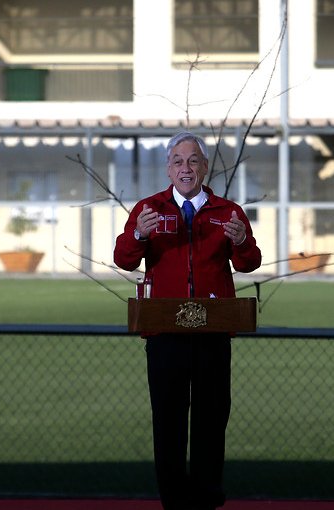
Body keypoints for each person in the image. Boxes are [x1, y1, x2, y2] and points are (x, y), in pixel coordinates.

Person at [114, 131, 262, 510]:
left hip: (213, 334)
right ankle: (174, 501)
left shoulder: (227, 212)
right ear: (168, 168)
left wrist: (244, 240)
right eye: (178, 161)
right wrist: (138, 233)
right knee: (168, 420)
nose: (185, 168)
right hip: (165, 334)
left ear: (205, 167)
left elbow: (249, 263)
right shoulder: (149, 209)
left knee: (212, 419)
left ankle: (207, 498)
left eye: (193, 160)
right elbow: (124, 259)